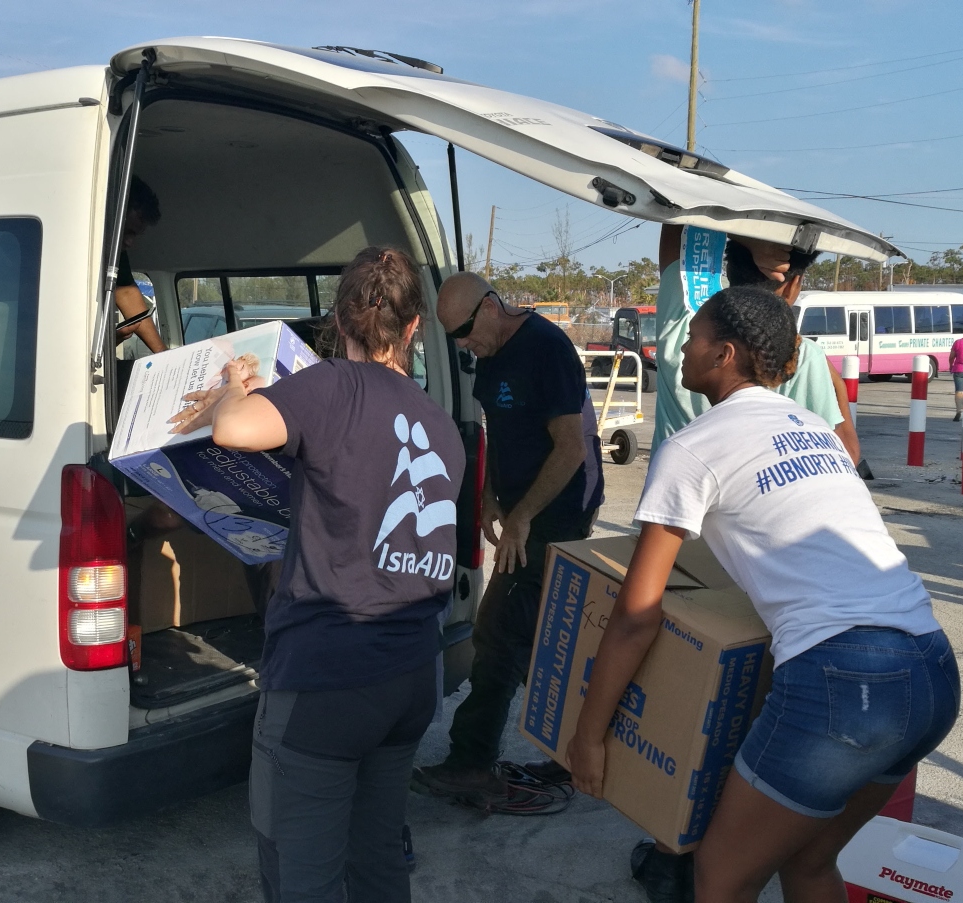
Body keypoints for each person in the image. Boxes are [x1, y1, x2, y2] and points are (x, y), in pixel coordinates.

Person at [566, 285, 960, 902]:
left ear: (724, 353)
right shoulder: (813, 427)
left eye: (693, 338)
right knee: (809, 862)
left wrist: (589, 736)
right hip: (932, 668)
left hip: (845, 682)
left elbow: (636, 615)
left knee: (722, 877)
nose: (681, 351)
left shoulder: (693, 447)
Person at [200, 246, 464, 902]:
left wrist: (235, 382)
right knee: (378, 855)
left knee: (301, 870)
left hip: (325, 679)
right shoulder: (440, 424)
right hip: (410, 673)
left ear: (339, 321)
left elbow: (233, 429)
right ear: (413, 327)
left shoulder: (329, 387)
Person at [414, 271, 604, 804]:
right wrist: (490, 496)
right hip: (523, 509)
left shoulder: (546, 348)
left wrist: (522, 517)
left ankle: (472, 763)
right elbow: (498, 430)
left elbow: (571, 447)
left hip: (558, 513)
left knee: (499, 633)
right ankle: (569, 751)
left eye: (465, 331)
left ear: (492, 307)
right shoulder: (491, 351)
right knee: (535, 635)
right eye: (453, 337)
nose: (463, 345)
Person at [654, 225, 861, 463]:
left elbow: (677, 220)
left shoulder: (691, 323)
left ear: (729, 268)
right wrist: (839, 386)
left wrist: (745, 236)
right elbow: (847, 456)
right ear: (794, 284)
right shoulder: (801, 354)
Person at [113, 178, 168, 356]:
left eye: (135, 235)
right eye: (127, 232)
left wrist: (163, 354)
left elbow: (127, 294)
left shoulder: (117, 256)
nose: (130, 243)